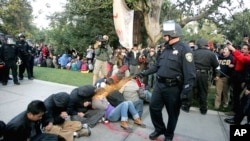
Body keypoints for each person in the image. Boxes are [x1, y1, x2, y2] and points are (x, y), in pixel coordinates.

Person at [136, 20, 196, 141]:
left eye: (165, 35)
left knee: (172, 114)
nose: (163, 37)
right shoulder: (165, 49)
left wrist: (185, 92)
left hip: (174, 88)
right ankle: (159, 129)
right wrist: (144, 73)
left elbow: (190, 74)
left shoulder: (185, 50)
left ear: (172, 34)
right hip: (159, 85)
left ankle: (169, 135)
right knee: (153, 107)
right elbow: (157, 65)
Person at [224, 43, 250, 125]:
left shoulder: (248, 57)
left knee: (243, 102)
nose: (243, 50)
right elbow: (238, 60)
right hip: (239, 77)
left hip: (242, 79)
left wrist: (233, 49)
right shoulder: (242, 55)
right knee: (237, 97)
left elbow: (242, 59)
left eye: (245, 49)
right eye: (243, 48)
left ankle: (237, 118)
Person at [193, 38, 219, 114]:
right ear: (206, 45)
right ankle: (203, 109)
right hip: (204, 74)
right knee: (203, 91)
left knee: (190, 89)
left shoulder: (193, 52)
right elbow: (216, 66)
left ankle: (186, 105)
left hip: (194, 73)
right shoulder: (211, 54)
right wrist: (215, 75)